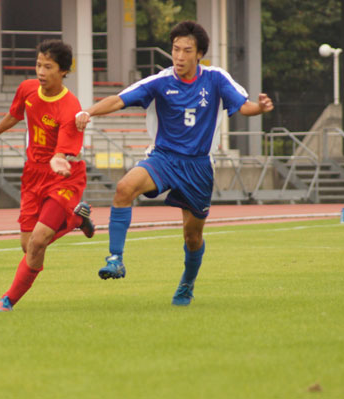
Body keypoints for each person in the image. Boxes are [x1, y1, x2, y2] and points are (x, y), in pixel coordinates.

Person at [75, 21, 273, 306]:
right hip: (164, 158)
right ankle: (116, 259)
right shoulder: (160, 81)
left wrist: (261, 108)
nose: (179, 56)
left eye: (186, 50)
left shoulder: (216, 78)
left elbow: (243, 107)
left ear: (199, 54)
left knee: (192, 237)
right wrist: (88, 112)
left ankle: (187, 284)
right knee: (124, 188)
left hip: (198, 166)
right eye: (175, 49)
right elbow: (119, 100)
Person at [0, 39, 95, 312]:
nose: (41, 72)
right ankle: (78, 219)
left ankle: (8, 300)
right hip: (32, 175)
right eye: (38, 65)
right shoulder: (28, 89)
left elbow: (64, 149)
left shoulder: (70, 106)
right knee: (27, 245)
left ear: (64, 71)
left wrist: (57, 158)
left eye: (48, 67)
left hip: (64, 177)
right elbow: (14, 115)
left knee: (39, 241)